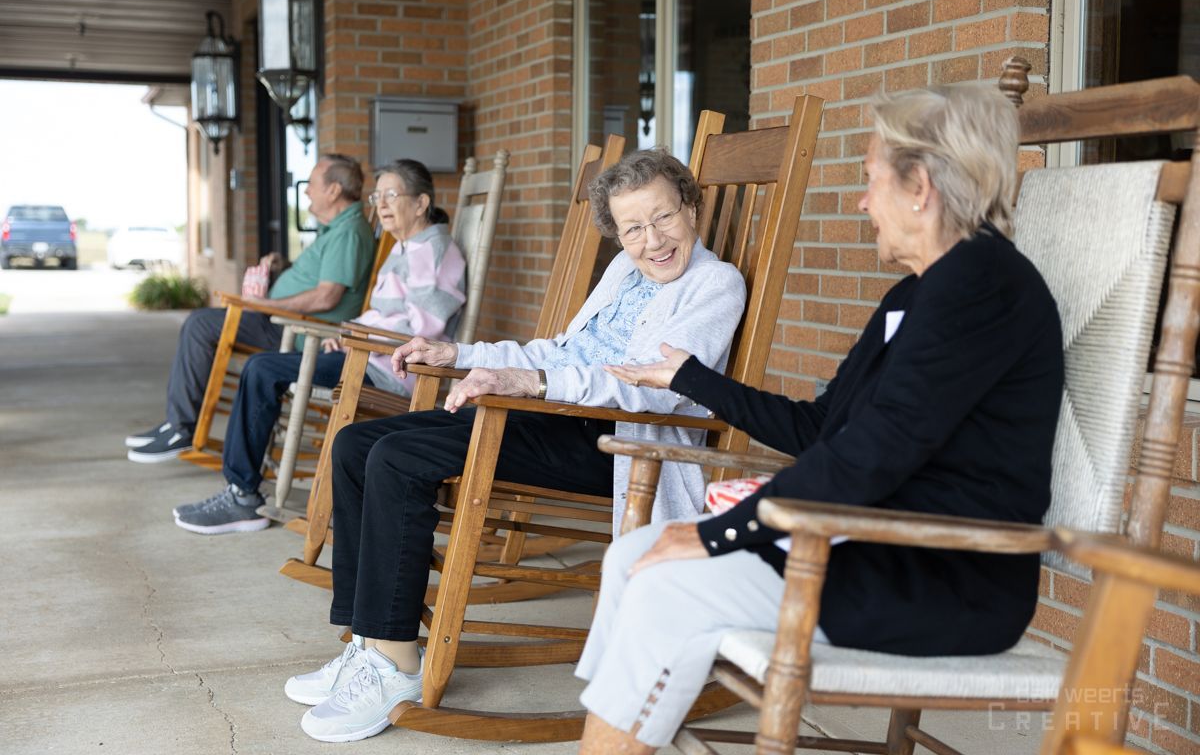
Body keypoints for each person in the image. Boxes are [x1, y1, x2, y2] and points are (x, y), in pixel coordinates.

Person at [573, 85, 1065, 753]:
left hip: (942, 577)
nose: (863, 202)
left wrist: (724, 532)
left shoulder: (982, 284)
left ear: (918, 186)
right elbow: (821, 428)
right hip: (871, 545)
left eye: (870, 181)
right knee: (634, 554)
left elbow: (873, 451)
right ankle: (626, 728)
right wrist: (690, 377)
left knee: (667, 585)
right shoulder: (918, 291)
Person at [283, 149, 748, 743]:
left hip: (617, 442)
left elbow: (652, 387)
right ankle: (369, 641)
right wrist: (464, 355)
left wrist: (534, 383)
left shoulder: (714, 283)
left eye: (663, 218)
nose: (651, 239)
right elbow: (558, 350)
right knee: (354, 444)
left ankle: (395, 664)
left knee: (399, 459)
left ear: (692, 208)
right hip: (550, 411)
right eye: (632, 228)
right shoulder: (625, 274)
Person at [172, 159, 467, 535]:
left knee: (263, 369)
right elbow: (386, 314)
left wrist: (358, 339)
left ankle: (243, 496)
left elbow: (422, 331)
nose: (382, 205)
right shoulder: (407, 246)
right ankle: (240, 488)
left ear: (422, 203)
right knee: (265, 366)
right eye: (378, 196)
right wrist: (351, 332)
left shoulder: (434, 250)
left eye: (393, 195)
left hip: (392, 373)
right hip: (366, 356)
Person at [126, 154, 375, 463]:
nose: (307, 191)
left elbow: (327, 297)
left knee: (200, 324)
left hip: (295, 332)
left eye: (311, 183)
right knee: (201, 322)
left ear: (334, 190)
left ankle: (182, 428)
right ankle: (177, 423)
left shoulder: (348, 233)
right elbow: (321, 278)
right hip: (283, 323)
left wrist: (264, 304)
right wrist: (282, 268)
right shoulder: (337, 230)